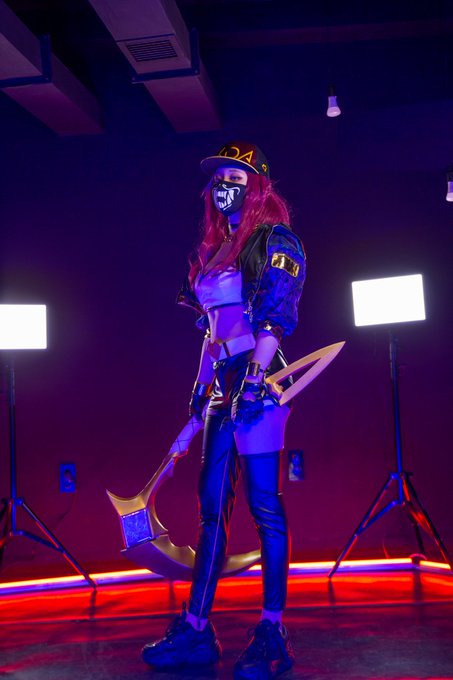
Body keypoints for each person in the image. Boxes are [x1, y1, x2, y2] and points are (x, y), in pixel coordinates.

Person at [142, 141, 306, 679]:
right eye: (219, 178)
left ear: (257, 186)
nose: (224, 186)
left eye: (236, 177)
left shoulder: (273, 240)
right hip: (221, 382)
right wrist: (199, 393)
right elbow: (211, 334)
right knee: (212, 508)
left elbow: (274, 316)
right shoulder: (214, 252)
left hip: (259, 377)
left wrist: (255, 379)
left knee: (264, 505)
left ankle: (272, 631)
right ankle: (196, 628)